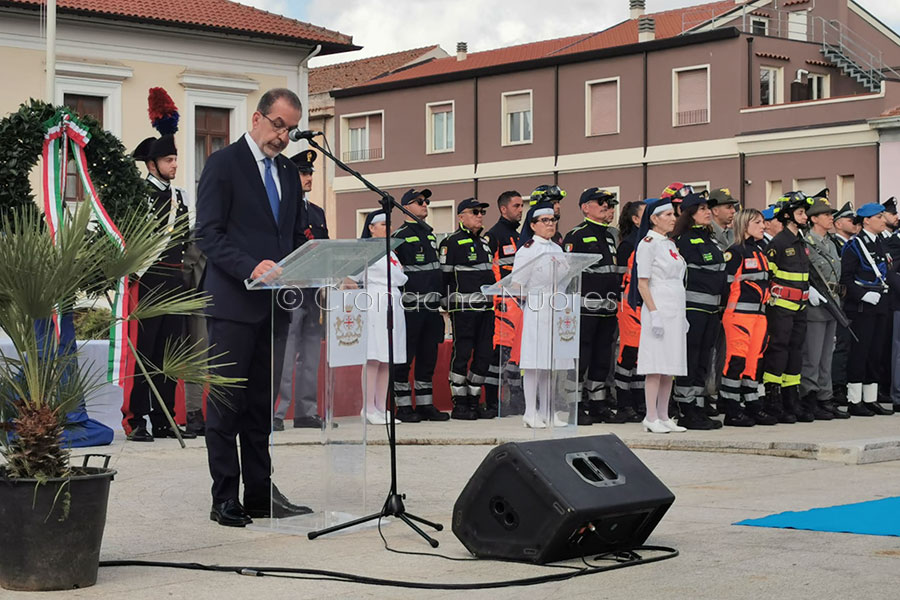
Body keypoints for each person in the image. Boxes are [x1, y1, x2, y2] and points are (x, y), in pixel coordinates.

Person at [196, 88, 311, 527]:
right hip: (232, 305)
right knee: (226, 405)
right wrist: (250, 266)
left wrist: (325, 266)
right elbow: (207, 233)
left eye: (291, 129)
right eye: (278, 125)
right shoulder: (224, 164)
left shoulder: (285, 171)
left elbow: (293, 238)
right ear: (257, 118)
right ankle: (224, 497)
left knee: (261, 408)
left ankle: (260, 495)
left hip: (274, 308)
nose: (283, 136)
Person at [123, 87, 196, 443]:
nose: (175, 165)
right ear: (152, 165)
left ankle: (166, 418)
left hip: (177, 284)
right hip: (150, 282)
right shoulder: (141, 197)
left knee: (171, 354)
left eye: (175, 160)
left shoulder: (179, 198)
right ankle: (138, 418)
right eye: (169, 161)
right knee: (146, 354)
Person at [273, 149, 330, 431]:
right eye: (303, 173)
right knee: (286, 352)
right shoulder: (284, 209)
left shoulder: (317, 212)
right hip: (290, 290)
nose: (308, 178)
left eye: (310, 174)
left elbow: (325, 248)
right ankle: (277, 412)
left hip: (314, 291)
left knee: (311, 353)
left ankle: (307, 411)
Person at [563, 188, 626, 424]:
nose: (607, 207)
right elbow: (568, 274)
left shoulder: (610, 235)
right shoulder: (576, 235)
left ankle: (598, 403)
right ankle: (574, 405)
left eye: (609, 203)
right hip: (584, 308)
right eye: (601, 202)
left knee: (602, 357)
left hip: (608, 307)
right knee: (581, 357)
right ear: (585, 207)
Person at [629, 198, 688, 434]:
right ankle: (650, 415)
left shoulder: (669, 245)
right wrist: (654, 313)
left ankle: (664, 414)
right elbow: (642, 283)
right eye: (668, 215)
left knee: (669, 364)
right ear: (654, 219)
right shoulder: (648, 243)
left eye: (674, 215)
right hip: (658, 304)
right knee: (655, 363)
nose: (674, 219)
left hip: (675, 306)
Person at [391, 189, 450, 423]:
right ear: (406, 207)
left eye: (427, 201)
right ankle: (403, 407)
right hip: (410, 309)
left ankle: (425, 405)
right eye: (420, 202)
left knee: (428, 358)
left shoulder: (430, 235)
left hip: (431, 308)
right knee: (405, 359)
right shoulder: (399, 236)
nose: (426, 204)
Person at [511, 201, 569, 428]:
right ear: (533, 225)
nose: (550, 224)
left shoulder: (557, 248)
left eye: (552, 220)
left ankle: (549, 410)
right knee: (535, 362)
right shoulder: (528, 250)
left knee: (551, 363)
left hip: (557, 306)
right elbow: (517, 284)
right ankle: (530, 411)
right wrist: (531, 296)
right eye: (544, 221)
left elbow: (566, 275)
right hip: (536, 306)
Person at [671, 192, 725, 430]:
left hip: (712, 308)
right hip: (693, 307)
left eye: (707, 208)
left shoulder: (710, 239)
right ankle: (686, 408)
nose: (707, 212)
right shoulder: (682, 240)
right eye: (702, 208)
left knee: (705, 357)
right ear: (690, 213)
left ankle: (699, 405)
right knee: (691, 358)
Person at [439, 198, 497, 420]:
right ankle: (460, 402)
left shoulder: (484, 243)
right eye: (475, 212)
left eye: (482, 212)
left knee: (484, 356)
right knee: (462, 354)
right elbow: (444, 275)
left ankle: (473, 400)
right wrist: (445, 304)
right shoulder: (451, 242)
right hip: (463, 309)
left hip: (486, 309)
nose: (480, 215)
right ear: (461, 216)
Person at [840, 202, 900, 416]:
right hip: (862, 307)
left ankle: (870, 398)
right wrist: (864, 294)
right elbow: (846, 278)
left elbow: (888, 273)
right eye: (879, 217)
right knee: (860, 352)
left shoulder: (881, 243)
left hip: (881, 304)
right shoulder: (855, 245)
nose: (884, 221)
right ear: (866, 220)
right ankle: (855, 400)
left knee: (875, 352)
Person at [719, 209, 775, 426]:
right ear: (745, 225)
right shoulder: (735, 251)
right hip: (739, 315)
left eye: (763, 222)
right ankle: (731, 409)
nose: (764, 226)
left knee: (754, 363)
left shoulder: (760, 251)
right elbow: (726, 284)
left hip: (759, 316)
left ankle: (752, 405)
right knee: (736, 361)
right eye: (758, 222)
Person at [762, 192, 813, 424]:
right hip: (781, 307)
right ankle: (774, 399)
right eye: (800, 212)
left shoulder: (801, 241)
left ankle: (791, 398)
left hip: (800, 306)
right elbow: (768, 276)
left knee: (795, 351)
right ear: (787, 215)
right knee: (778, 350)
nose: (804, 216)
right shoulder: (778, 243)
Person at [801, 198, 848, 419]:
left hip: (833, 303)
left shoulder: (830, 242)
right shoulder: (806, 242)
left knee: (827, 355)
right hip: (816, 306)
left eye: (831, 214)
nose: (831, 217)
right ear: (814, 218)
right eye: (826, 214)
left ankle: (825, 398)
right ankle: (809, 397)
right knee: (813, 355)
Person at [359, 210, 408, 424]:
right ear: (371, 227)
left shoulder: (390, 251)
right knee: (373, 356)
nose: (387, 228)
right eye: (382, 224)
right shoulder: (367, 249)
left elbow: (399, 276)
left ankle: (380, 406)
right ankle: (368, 407)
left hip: (393, 300)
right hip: (375, 301)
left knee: (388, 358)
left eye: (389, 224)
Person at [485, 190, 526, 416]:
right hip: (502, 305)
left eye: (521, 206)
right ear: (503, 209)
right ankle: (493, 402)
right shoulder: (495, 236)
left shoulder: (521, 236)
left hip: (520, 306)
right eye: (516, 206)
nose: (521, 210)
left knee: (516, 358)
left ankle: (517, 402)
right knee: (498, 356)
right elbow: (491, 272)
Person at [614, 200, 648, 420]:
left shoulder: (649, 242)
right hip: (629, 307)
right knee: (628, 355)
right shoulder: (628, 245)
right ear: (635, 219)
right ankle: (623, 402)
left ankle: (640, 400)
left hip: (645, 306)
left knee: (641, 357)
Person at [829, 201, 857, 406]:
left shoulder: (852, 245)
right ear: (838, 224)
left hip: (849, 300)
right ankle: (836, 387)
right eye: (850, 220)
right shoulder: (835, 244)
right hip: (836, 301)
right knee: (839, 345)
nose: (854, 223)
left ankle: (842, 384)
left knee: (847, 344)